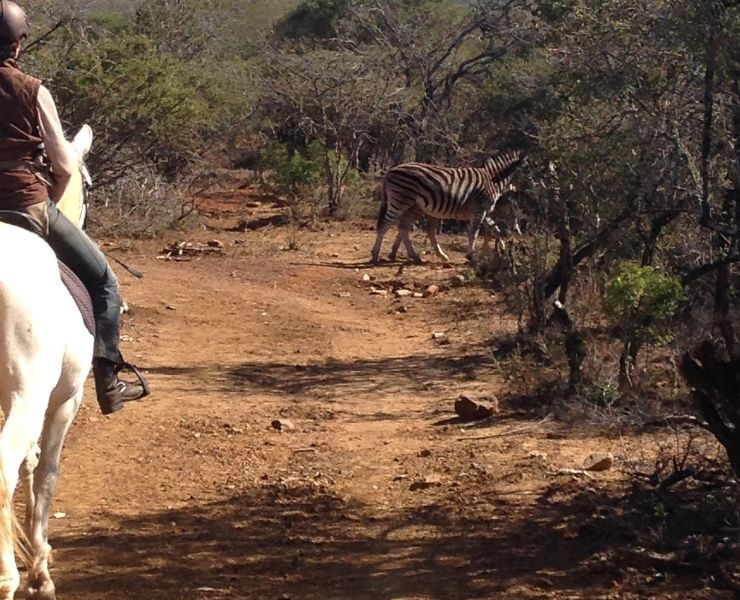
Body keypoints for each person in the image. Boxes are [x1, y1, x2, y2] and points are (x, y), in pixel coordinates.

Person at [0, 0, 150, 415]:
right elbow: (65, 165)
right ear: (18, 44)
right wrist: (54, 193)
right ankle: (109, 383)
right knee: (104, 282)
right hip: (26, 205)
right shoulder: (32, 89)